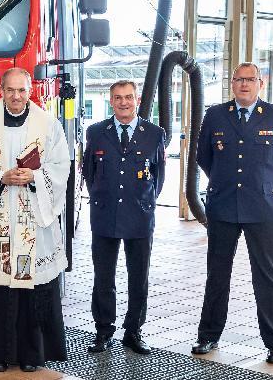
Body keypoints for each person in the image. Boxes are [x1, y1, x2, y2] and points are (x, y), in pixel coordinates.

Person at [0, 67, 69, 373]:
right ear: (1, 92)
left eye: (22, 90)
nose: (17, 96)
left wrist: (34, 176)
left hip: (32, 219)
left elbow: (61, 167)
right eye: (11, 90)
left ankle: (31, 354)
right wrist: (0, 177)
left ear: (30, 91)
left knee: (32, 284)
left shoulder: (48, 127)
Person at [192, 62, 273, 364]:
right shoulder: (215, 115)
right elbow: (204, 157)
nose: (243, 84)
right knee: (217, 274)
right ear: (232, 84)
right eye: (238, 79)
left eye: (250, 79)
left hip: (262, 208)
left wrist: (266, 186)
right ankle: (208, 335)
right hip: (223, 206)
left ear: (260, 84)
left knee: (267, 276)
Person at [82, 80, 166, 355]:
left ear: (137, 99)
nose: (123, 103)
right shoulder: (96, 132)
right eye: (117, 98)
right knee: (103, 276)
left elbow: (158, 175)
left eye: (128, 97)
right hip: (105, 215)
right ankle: (103, 330)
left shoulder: (154, 133)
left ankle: (134, 331)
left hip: (139, 216)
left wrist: (144, 201)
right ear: (110, 101)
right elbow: (89, 171)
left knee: (138, 277)